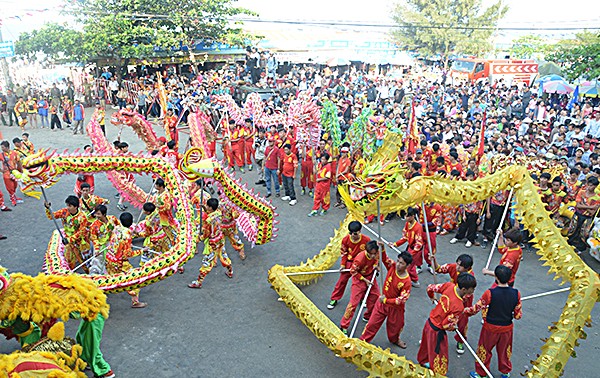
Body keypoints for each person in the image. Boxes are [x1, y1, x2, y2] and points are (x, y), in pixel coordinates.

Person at [465, 265, 522, 378]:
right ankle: (505, 371)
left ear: (496, 277)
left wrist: (465, 311)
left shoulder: (490, 293)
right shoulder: (516, 293)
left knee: (484, 349)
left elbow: (476, 308)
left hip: (490, 327)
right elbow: (518, 315)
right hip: (507, 328)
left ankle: (481, 373)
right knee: (505, 350)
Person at [416, 273, 477, 375]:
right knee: (439, 354)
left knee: (426, 346)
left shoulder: (449, 286)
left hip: (429, 323)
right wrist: (453, 327)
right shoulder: (459, 306)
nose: (473, 291)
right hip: (436, 331)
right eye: (472, 289)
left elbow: (430, 288)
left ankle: (423, 361)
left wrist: (432, 297)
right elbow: (445, 325)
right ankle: (437, 374)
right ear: (464, 290)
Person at [359, 251, 412, 348]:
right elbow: (384, 259)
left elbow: (401, 300)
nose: (398, 265)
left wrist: (385, 300)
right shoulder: (392, 266)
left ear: (407, 266)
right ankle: (363, 341)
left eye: (401, 263)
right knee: (372, 324)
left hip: (395, 308)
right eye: (398, 261)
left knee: (395, 328)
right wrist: (382, 248)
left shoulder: (406, 282)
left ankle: (395, 340)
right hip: (381, 303)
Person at [339, 240, 386, 335]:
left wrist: (376, 267)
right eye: (371, 254)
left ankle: (368, 316)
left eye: (375, 253)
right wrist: (365, 280)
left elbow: (377, 260)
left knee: (375, 298)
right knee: (353, 304)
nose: (373, 256)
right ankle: (344, 325)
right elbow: (353, 271)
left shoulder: (377, 253)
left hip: (370, 277)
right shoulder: (359, 259)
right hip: (359, 280)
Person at [434, 254, 475, 354]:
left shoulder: (470, 279)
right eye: (457, 264)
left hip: (462, 303)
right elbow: (439, 269)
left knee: (462, 323)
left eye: (460, 266)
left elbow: (467, 296)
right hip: (451, 298)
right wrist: (434, 260)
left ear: (467, 268)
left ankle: (460, 340)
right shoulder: (453, 267)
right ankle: (435, 339)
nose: (457, 267)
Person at [188, 198, 233, 288]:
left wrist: (197, 239)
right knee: (223, 255)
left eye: (208, 206)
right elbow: (212, 216)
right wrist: (205, 209)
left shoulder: (208, 221)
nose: (207, 207)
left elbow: (206, 233)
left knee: (207, 262)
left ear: (211, 208)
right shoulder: (219, 213)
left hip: (212, 243)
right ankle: (230, 271)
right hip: (220, 239)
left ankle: (198, 282)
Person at [105, 212, 147, 308]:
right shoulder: (127, 236)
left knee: (111, 278)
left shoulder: (116, 228)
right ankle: (135, 301)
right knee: (134, 279)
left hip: (109, 257)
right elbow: (127, 254)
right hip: (119, 262)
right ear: (131, 223)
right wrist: (141, 251)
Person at [327, 221, 371, 309]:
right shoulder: (345, 240)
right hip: (349, 263)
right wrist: (343, 265)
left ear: (359, 231)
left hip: (361, 265)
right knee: (341, 281)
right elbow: (344, 253)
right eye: (350, 233)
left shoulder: (366, 240)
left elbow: (370, 254)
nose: (352, 236)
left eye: (354, 233)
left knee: (362, 283)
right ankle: (334, 298)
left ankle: (363, 299)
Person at [44, 195, 90, 272]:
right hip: (68, 242)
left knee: (85, 262)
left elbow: (81, 232)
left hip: (80, 243)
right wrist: (48, 208)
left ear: (76, 207)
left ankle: (91, 276)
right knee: (68, 260)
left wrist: (69, 239)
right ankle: (69, 276)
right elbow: (52, 216)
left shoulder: (82, 217)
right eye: (67, 205)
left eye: (70, 206)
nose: (67, 207)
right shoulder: (64, 212)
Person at [390, 207, 423, 287]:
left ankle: (404, 283)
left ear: (412, 216)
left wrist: (411, 254)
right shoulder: (407, 224)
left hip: (416, 250)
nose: (406, 218)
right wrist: (395, 244)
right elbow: (405, 237)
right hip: (410, 247)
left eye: (407, 216)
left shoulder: (418, 227)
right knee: (410, 266)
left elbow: (419, 244)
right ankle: (415, 280)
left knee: (407, 266)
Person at [74, 312, 115, 378]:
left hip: (93, 317)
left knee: (91, 347)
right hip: (90, 316)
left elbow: (75, 312)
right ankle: (87, 360)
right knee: (80, 337)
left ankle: (104, 370)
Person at [450, 170, 483, 247]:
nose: (470, 178)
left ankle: (470, 240)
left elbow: (480, 205)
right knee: (463, 226)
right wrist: (463, 214)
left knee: (472, 227)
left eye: (471, 176)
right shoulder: (465, 189)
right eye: (469, 176)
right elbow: (463, 203)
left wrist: (479, 217)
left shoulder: (478, 194)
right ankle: (458, 237)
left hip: (474, 212)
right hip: (467, 211)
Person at [568, 176, 600, 252]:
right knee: (572, 231)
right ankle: (568, 245)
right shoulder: (581, 192)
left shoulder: (597, 198)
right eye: (589, 184)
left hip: (587, 218)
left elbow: (592, 212)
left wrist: (583, 205)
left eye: (592, 185)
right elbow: (577, 205)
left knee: (583, 234)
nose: (589, 187)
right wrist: (591, 206)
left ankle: (579, 249)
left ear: (595, 186)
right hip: (577, 214)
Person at [88, 204, 118, 274]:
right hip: (101, 246)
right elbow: (94, 238)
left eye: (98, 214)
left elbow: (118, 227)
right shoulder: (94, 225)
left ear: (104, 214)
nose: (96, 215)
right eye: (96, 213)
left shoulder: (112, 219)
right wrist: (97, 249)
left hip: (112, 244)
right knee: (97, 263)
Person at [1, 140, 23, 206]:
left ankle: (13, 196)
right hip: (6, 173)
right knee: (10, 187)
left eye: (3, 147)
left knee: (15, 185)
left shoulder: (14, 153)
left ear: (7, 147)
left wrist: (20, 170)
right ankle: (12, 198)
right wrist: (1, 170)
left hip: (14, 171)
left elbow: (19, 161)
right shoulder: (1, 155)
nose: (1, 149)